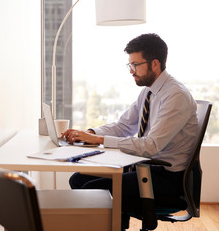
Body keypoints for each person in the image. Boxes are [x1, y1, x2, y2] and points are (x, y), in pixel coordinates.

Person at [62, 33, 198, 230]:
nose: (131, 71)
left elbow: (151, 146)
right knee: (78, 178)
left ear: (155, 64)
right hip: (147, 168)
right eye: (130, 65)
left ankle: (114, 225)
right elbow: (124, 126)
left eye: (135, 65)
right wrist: (88, 133)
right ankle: (116, 224)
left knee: (91, 189)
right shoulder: (149, 91)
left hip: (167, 178)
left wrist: (98, 139)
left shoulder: (175, 96)